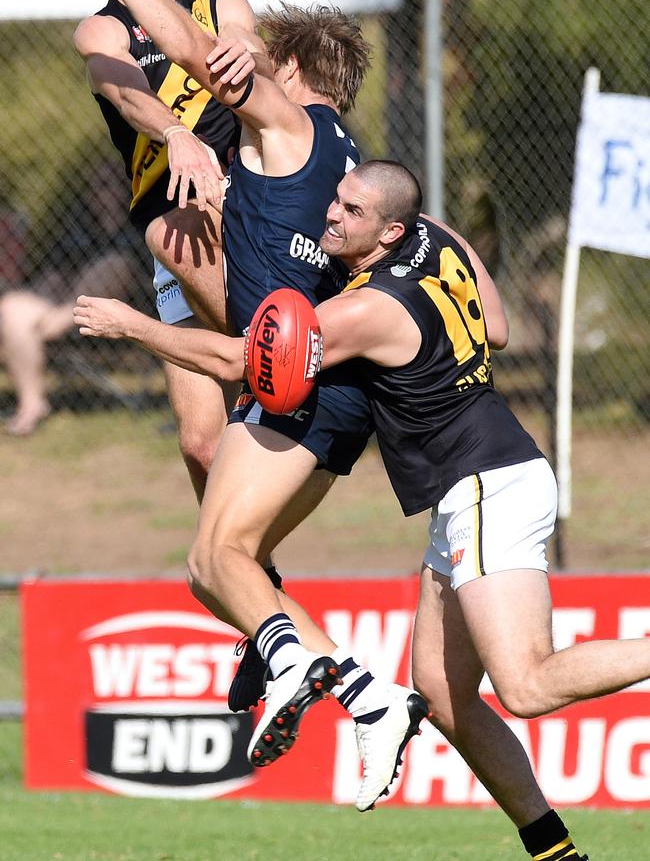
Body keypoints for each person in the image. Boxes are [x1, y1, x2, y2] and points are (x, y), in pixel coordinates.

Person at [72, 159, 645, 861]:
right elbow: (494, 329)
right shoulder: (436, 241)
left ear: (388, 231)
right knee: (440, 694)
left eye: (350, 212)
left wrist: (134, 327)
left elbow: (235, 363)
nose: (332, 215)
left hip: (487, 484)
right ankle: (554, 851)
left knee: (525, 683)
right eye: (337, 201)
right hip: (475, 485)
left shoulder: (368, 309)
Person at [18, 0, 433, 812]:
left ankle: (341, 680)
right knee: (213, 537)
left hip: (295, 382)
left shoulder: (288, 123)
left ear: (289, 77)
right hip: (318, 379)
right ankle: (338, 681)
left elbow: (200, 53)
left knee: (216, 560)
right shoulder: (354, 173)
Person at [66, 0, 268, 499]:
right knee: (201, 446)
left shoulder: (219, 4)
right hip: (175, 214)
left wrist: (245, 50)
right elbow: (127, 95)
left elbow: (249, 44)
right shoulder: (101, 31)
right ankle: (248, 573)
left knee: (259, 359)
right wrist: (175, 132)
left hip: (251, 202)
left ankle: (307, 376)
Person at [0, 160, 149, 435]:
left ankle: (62, 317)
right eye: (96, 187)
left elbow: (140, 275)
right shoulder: (82, 228)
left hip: (123, 310)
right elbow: (57, 269)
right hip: (62, 306)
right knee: (12, 307)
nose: (101, 193)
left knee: (116, 263)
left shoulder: (139, 222)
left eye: (108, 185)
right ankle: (32, 404)